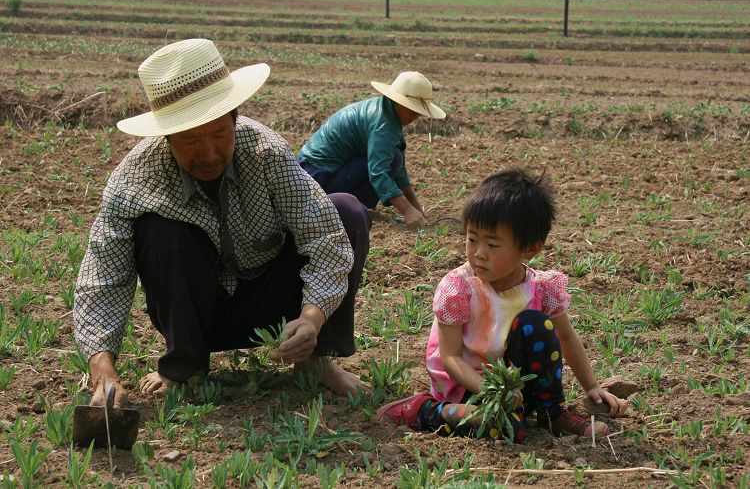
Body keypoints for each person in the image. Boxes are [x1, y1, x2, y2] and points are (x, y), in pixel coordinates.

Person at [74, 38, 370, 407]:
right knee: (160, 229)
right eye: (190, 141)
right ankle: (184, 368)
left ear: (235, 118)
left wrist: (310, 319)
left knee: (345, 210)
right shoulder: (134, 180)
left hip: (274, 308)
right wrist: (103, 372)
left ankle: (313, 360)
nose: (210, 154)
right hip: (198, 315)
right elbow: (103, 281)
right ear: (166, 138)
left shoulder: (265, 153)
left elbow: (324, 238)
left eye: (219, 134)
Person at [377, 168, 628, 441]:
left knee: (536, 325)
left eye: (493, 245)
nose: (478, 253)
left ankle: (550, 414)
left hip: (518, 390)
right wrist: (493, 391)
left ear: (530, 249)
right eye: (472, 239)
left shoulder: (542, 288)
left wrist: (592, 386)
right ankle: (426, 411)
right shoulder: (458, 288)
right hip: (469, 386)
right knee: (506, 430)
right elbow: (450, 358)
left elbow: (566, 337)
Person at [297, 71, 446, 228]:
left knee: (395, 159)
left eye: (418, 112)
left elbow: (400, 172)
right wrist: (407, 210)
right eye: (411, 109)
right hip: (316, 179)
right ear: (397, 102)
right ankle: (354, 208)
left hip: (313, 174)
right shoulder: (384, 125)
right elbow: (378, 172)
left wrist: (416, 209)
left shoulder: (385, 112)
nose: (415, 116)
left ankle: (358, 207)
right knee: (392, 161)